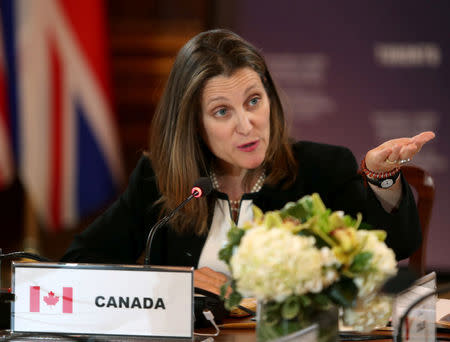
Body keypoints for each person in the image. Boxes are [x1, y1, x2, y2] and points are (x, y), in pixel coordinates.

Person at [61, 29, 435, 279]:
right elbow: (78, 264)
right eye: (222, 111)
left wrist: (381, 180)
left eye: (254, 101)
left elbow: (393, 247)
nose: (247, 124)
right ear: (193, 123)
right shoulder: (156, 178)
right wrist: (175, 286)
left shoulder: (321, 169)